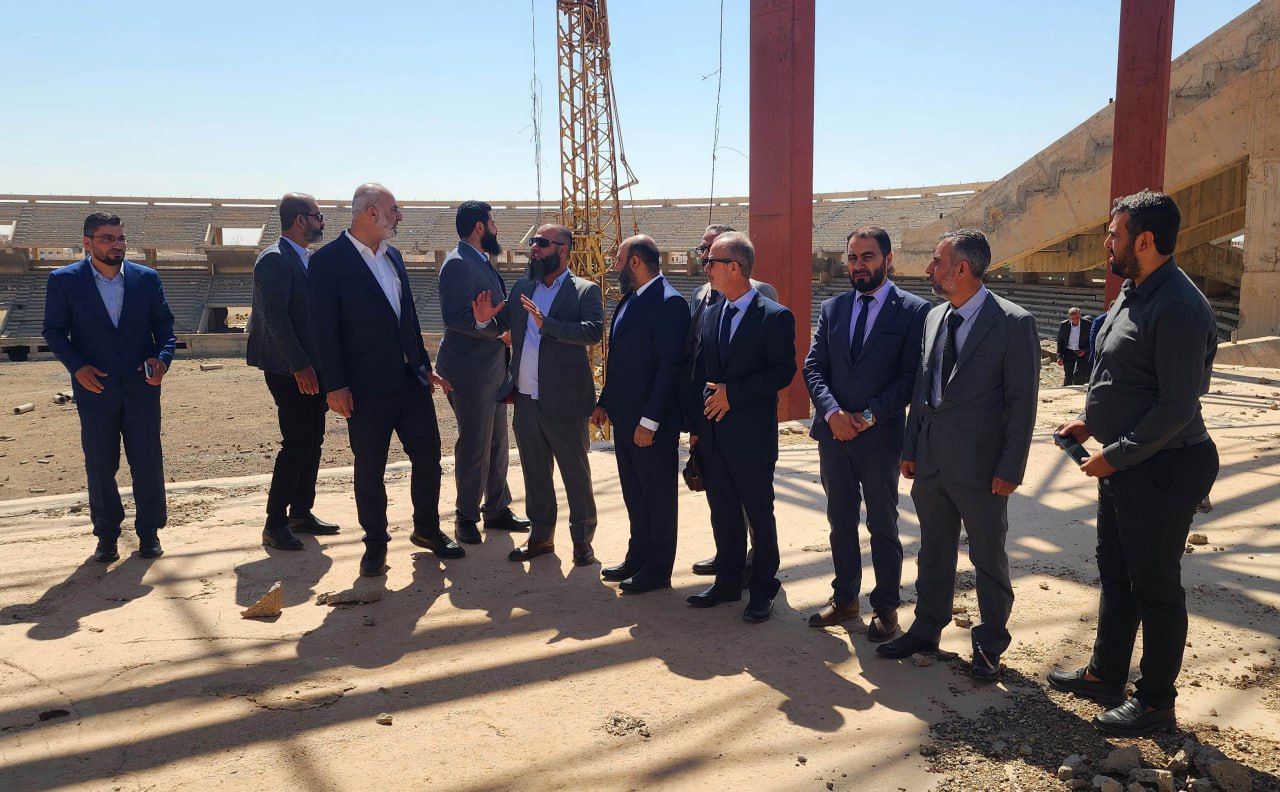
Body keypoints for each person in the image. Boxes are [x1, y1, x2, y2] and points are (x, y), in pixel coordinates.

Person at [1049, 190, 1219, 737]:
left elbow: (1176, 405)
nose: (1107, 242)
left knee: (1155, 586)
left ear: (1144, 241)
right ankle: (1106, 675)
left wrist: (1116, 455)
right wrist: (1088, 423)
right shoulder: (1132, 291)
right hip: (1125, 462)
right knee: (1117, 575)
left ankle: (1154, 703)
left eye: (1114, 233)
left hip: (1165, 466)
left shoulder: (1180, 307)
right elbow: (1119, 375)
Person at [877, 229, 1039, 680]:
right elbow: (922, 389)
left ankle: (989, 643)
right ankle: (926, 628)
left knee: (988, 557)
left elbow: (1022, 404)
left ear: (962, 269)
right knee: (933, 550)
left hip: (983, 468)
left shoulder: (1014, 323)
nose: (929, 269)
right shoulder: (934, 318)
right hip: (931, 461)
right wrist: (911, 447)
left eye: (937, 261)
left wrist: (1011, 467)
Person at [307, 183, 462, 576]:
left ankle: (427, 528)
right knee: (370, 466)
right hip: (364, 387)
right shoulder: (327, 262)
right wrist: (334, 385)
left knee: (428, 456)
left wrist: (424, 367)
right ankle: (375, 543)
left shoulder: (393, 255)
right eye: (394, 209)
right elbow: (323, 330)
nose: (399, 217)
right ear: (371, 212)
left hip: (410, 381)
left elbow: (407, 318)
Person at [803, 226, 928, 640]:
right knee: (840, 520)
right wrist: (833, 413)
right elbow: (814, 367)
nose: (858, 265)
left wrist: (868, 416)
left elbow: (910, 377)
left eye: (868, 257)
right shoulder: (833, 308)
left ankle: (886, 607)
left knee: (883, 523)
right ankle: (845, 599)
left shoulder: (913, 311)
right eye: (853, 257)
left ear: (888, 260)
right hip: (834, 435)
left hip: (880, 438)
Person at [43, 212, 176, 562]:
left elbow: (165, 327)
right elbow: (53, 331)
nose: (117, 245)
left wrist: (162, 359)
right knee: (101, 464)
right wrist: (77, 367)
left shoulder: (146, 279)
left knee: (147, 461)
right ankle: (106, 535)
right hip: (95, 389)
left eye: (120, 238)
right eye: (108, 238)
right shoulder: (64, 280)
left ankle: (149, 532)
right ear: (87, 242)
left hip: (142, 387)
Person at [472, 224, 603, 565]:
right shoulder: (522, 287)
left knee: (575, 474)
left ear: (563, 250)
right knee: (535, 473)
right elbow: (503, 326)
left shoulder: (584, 290)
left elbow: (593, 332)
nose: (534, 248)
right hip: (526, 399)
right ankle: (541, 537)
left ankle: (582, 541)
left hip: (566, 402)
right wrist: (485, 322)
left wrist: (549, 325)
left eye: (542, 243)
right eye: (533, 242)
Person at [685, 231, 796, 623]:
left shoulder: (775, 316)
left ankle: (763, 587)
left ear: (734, 267)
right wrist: (697, 427)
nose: (705, 268)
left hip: (751, 437)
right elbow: (702, 373)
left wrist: (734, 394)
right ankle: (727, 582)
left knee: (759, 515)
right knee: (723, 511)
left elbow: (782, 372)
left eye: (711, 262)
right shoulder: (713, 313)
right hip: (714, 435)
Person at [593, 234, 690, 592]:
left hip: (651, 423)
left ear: (635, 262)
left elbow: (669, 367)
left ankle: (658, 570)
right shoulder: (630, 299)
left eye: (619, 260)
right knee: (635, 495)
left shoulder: (669, 303)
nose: (615, 267)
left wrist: (650, 421)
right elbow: (619, 360)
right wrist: (605, 401)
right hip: (625, 419)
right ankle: (638, 557)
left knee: (658, 497)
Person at [246, 193, 340, 551]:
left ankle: (301, 512)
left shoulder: (305, 258)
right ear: (301, 219)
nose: (322, 222)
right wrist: (299, 365)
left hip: (313, 366)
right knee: (298, 442)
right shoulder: (274, 259)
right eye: (318, 216)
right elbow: (276, 318)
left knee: (313, 441)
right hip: (290, 370)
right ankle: (275, 522)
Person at [435, 200, 529, 545]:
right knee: (476, 444)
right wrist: (498, 332)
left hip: (491, 368)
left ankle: (496, 508)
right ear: (479, 227)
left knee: (497, 442)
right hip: (469, 371)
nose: (496, 229)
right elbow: (457, 318)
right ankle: (465, 515)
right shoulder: (458, 264)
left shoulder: (478, 260)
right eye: (492, 223)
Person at [1056, 307, 1092, 386]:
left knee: (1080, 376)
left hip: (1082, 352)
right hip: (1068, 352)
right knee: (1068, 376)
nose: (1075, 320)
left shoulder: (1088, 324)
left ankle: (1078, 392)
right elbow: (1060, 341)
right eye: (1072, 318)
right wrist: (1059, 356)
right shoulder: (1064, 325)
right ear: (1069, 317)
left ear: (1080, 315)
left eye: (1077, 317)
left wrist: (1085, 350)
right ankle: (1066, 391)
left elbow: (1091, 340)